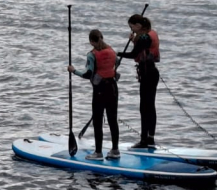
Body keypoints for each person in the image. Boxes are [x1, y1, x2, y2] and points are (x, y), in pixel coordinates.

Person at [67, 29, 120, 161]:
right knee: (113, 120)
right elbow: (117, 62)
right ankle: (115, 150)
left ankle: (98, 153)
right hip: (113, 87)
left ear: (91, 42)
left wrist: (74, 71)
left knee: (98, 121)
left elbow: (88, 74)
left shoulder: (92, 55)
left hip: (100, 90)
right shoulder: (112, 50)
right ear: (102, 37)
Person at [118, 14, 160, 148]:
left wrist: (116, 54)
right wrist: (134, 41)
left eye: (132, 27)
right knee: (150, 106)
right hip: (151, 72)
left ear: (138, 26)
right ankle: (150, 138)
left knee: (144, 107)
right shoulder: (150, 34)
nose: (132, 30)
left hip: (148, 74)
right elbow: (142, 48)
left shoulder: (143, 37)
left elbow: (133, 54)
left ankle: (144, 140)